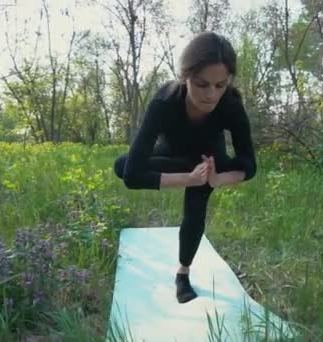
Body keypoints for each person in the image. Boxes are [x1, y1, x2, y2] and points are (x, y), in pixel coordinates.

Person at [113, 31, 257, 304]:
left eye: (220, 84)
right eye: (202, 84)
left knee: (195, 209)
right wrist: (186, 178)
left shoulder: (231, 106)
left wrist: (216, 179)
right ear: (185, 76)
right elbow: (131, 176)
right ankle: (196, 180)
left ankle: (183, 273)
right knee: (122, 165)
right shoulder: (164, 102)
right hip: (174, 156)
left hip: (208, 162)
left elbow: (249, 164)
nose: (211, 94)